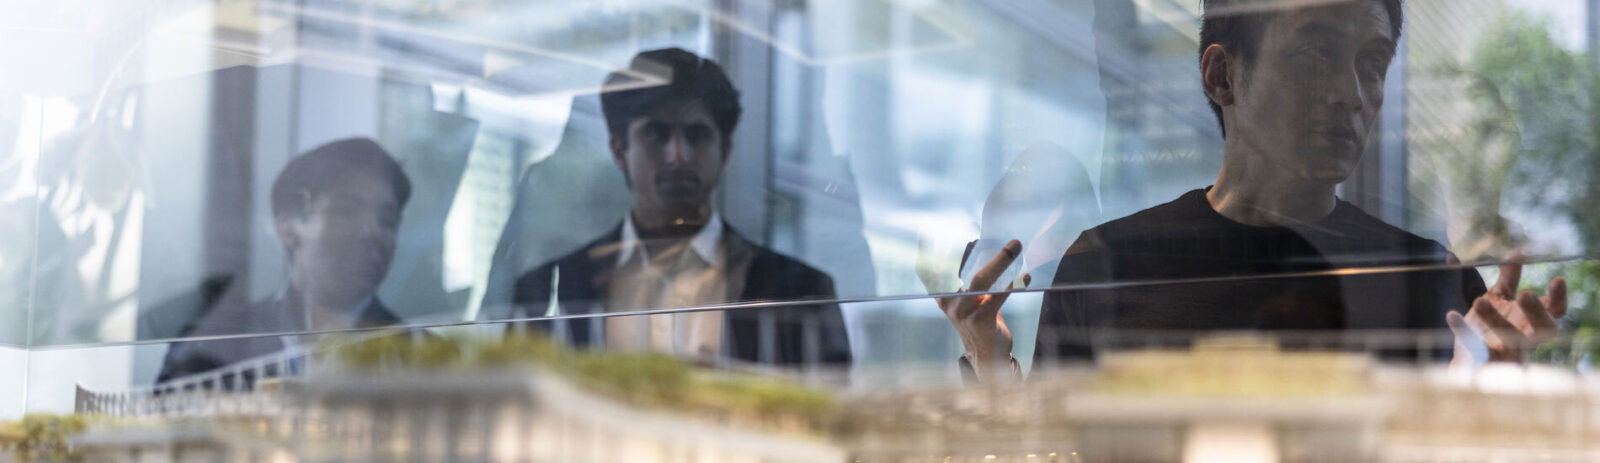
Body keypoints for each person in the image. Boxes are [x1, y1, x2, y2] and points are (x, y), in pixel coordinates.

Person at [939, 0, 1567, 380]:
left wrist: (1495, 383)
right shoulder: (1106, 264)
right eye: (1317, 55)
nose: (1353, 93)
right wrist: (989, 361)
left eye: (1371, 63)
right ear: (1222, 76)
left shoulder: (1432, 279)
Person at [511, 48, 851, 366]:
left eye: (697, 135)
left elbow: (833, 417)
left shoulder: (802, 291)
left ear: (726, 151)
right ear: (619, 150)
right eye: (656, 134)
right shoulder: (547, 288)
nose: (678, 156)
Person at [157, 138, 411, 383]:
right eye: (346, 211)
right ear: (287, 226)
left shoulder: (424, 355)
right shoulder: (215, 343)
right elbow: (167, 421)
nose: (371, 232)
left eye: (387, 220)